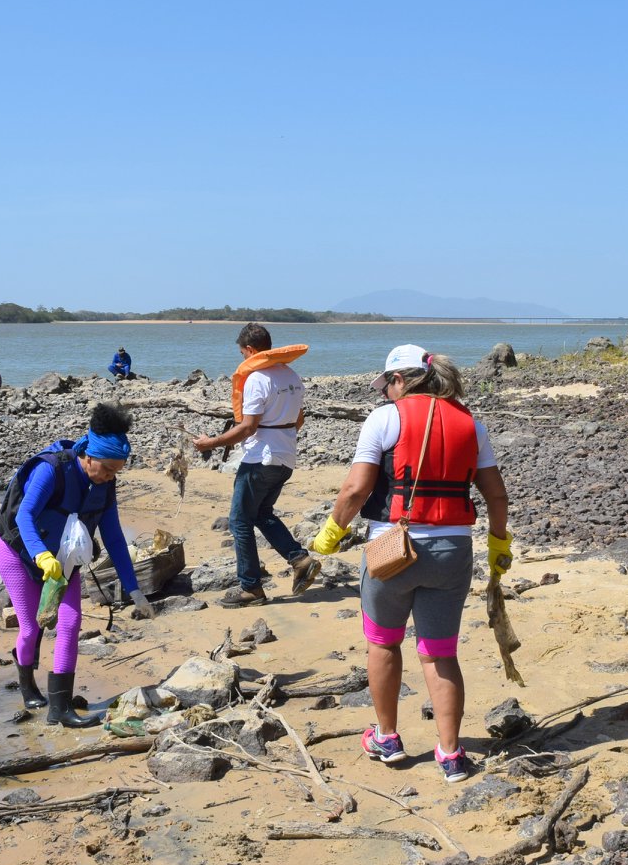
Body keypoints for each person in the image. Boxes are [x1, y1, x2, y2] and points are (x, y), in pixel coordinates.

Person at [308, 345, 512, 783]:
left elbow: (355, 490)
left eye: (385, 385)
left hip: (391, 548)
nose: (384, 393)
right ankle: (452, 755)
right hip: (452, 551)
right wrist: (499, 543)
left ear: (400, 380)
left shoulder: (385, 418)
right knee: (440, 653)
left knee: (383, 643)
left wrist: (330, 534)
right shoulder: (471, 423)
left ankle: (387, 737)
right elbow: (495, 494)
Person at [0, 403, 155, 726]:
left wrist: (134, 588)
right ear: (89, 456)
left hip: (65, 559)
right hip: (19, 553)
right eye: (107, 469)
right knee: (31, 626)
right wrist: (41, 555)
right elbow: (25, 515)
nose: (110, 477)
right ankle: (28, 688)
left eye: (116, 472)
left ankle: (60, 709)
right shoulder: (51, 470)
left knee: (69, 623)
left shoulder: (105, 484)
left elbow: (114, 537)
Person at [193, 322, 322, 607]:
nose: (243, 359)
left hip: (260, 460)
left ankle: (251, 588)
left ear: (250, 350)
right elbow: (298, 420)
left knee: (240, 521)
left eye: (242, 354)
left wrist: (210, 442)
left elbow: (248, 427)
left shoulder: (256, 378)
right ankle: (300, 560)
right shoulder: (291, 375)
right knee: (262, 513)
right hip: (285, 457)